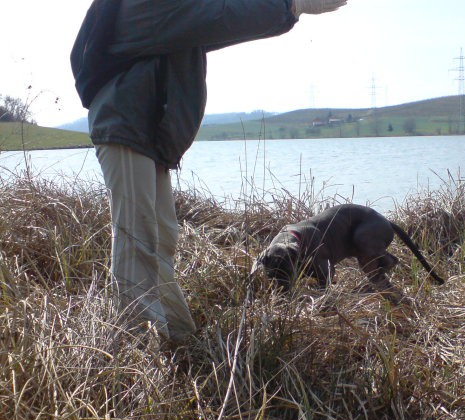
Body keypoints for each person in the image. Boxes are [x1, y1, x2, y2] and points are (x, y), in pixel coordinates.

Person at [71, 0, 347, 348]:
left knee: (161, 238)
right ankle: (139, 351)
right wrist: (290, 5)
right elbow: (219, 16)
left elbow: (216, 16)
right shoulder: (145, 5)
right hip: (127, 124)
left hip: (146, 129)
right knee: (137, 238)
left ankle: (180, 339)